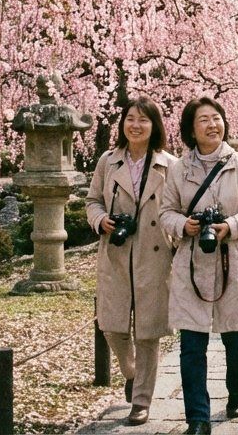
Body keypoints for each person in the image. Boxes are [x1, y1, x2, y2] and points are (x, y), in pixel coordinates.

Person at [159, 97, 238, 435]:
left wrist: (231, 226)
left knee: (236, 337)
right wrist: (184, 226)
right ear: (191, 130)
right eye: (203, 120)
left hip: (234, 261)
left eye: (216, 118)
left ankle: (237, 392)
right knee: (192, 344)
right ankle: (197, 417)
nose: (212, 124)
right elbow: (165, 212)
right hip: (192, 266)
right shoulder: (179, 169)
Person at [85, 97, 176, 426]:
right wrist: (100, 220)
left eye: (143, 120)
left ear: (155, 126)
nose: (136, 125)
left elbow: (178, 208)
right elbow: (92, 199)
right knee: (111, 323)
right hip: (116, 253)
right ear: (122, 124)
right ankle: (130, 371)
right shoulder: (108, 162)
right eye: (130, 119)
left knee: (148, 332)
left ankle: (141, 401)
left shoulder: (169, 164)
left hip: (155, 254)